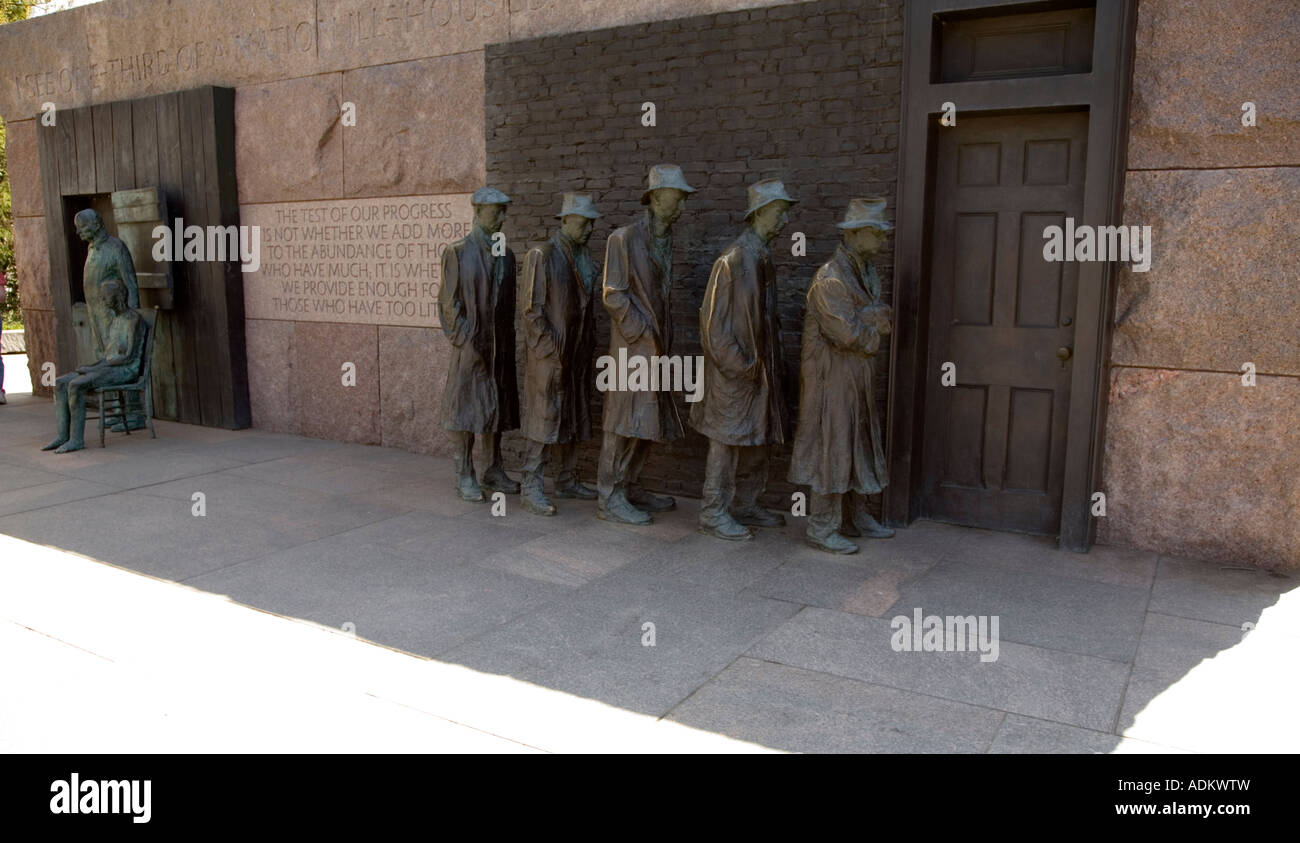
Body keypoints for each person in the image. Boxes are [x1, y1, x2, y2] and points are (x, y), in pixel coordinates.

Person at [789, 197, 896, 553]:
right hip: (830, 381)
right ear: (857, 235)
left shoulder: (866, 272)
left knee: (858, 443)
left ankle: (856, 515)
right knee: (831, 447)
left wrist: (870, 317)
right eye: (877, 235)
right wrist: (875, 324)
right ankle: (822, 525)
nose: (883, 242)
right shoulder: (830, 279)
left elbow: (866, 319)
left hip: (855, 378)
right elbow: (847, 334)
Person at [691, 179, 795, 540]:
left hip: (758, 372)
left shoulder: (761, 257)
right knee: (726, 443)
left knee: (757, 439)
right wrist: (741, 366)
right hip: (734, 375)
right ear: (760, 214)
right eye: (779, 214)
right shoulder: (733, 260)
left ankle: (745, 503)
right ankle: (713, 511)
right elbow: (713, 326)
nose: (784, 222)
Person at [596, 164, 695, 525]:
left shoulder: (667, 240)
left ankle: (631, 486)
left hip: (657, 349)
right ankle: (609, 496)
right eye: (675, 198)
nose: (681, 207)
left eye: (683, 200)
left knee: (647, 422)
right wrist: (643, 333)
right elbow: (613, 295)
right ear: (654, 198)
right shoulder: (623, 239)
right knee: (622, 424)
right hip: (631, 350)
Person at [518, 193, 602, 516]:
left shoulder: (585, 258)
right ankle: (531, 484)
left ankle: (567, 478)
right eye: (583, 221)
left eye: (592, 221)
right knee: (544, 419)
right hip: (550, 358)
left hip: (577, 354)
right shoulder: (543, 254)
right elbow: (531, 311)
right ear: (564, 220)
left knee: (572, 416)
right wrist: (551, 353)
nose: (589, 227)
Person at [438, 186, 521, 502]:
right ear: (477, 211)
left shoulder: (507, 255)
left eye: (504, 211)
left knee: (495, 406)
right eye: (496, 211)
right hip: (471, 348)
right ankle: (464, 472)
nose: (502, 217)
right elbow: (448, 304)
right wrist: (465, 338)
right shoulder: (457, 252)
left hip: (499, 348)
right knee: (465, 411)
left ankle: (493, 468)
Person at [42, 279, 146, 454]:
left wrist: (94, 370)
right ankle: (62, 435)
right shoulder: (115, 321)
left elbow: (128, 357)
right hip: (108, 366)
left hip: (124, 370)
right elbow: (109, 355)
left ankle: (76, 440)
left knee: (76, 385)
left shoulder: (132, 320)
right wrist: (94, 366)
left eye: (106, 297)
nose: (103, 300)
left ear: (117, 297)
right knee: (60, 383)